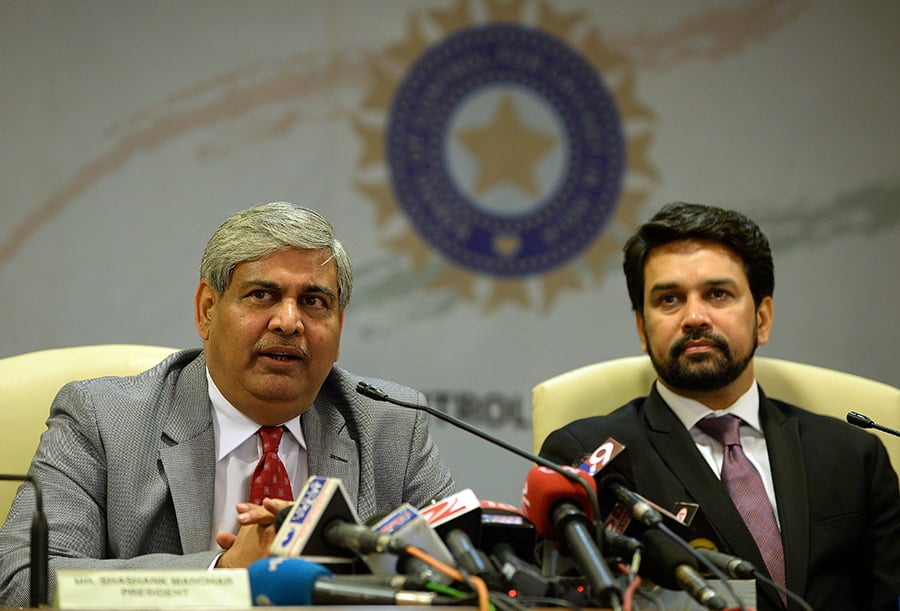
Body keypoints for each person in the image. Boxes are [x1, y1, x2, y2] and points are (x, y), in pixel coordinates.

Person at [0, 201, 456, 606]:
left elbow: (460, 580)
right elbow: (22, 581)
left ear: (339, 327)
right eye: (263, 295)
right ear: (207, 310)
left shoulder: (392, 425)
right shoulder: (103, 421)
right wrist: (222, 574)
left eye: (314, 301)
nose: (289, 322)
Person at [540, 202, 900, 611]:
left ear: (762, 318)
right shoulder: (590, 459)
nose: (694, 316)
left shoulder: (853, 456)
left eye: (717, 294)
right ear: (642, 328)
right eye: (670, 299)